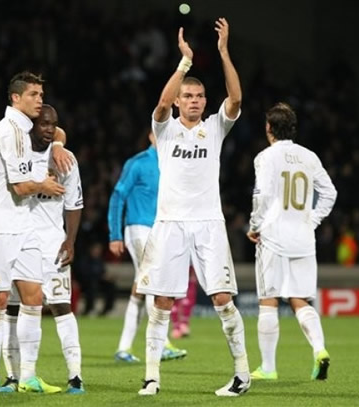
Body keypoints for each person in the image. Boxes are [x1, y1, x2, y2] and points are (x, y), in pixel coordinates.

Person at [135, 18, 251, 397]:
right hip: (169, 222)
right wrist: (183, 63)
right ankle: (152, 377)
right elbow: (162, 102)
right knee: (162, 301)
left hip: (208, 224)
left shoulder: (215, 127)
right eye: (189, 97)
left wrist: (222, 52)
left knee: (222, 299)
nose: (194, 101)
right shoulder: (165, 129)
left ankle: (242, 375)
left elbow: (235, 98)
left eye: (199, 97)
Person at [0, 104, 85, 394]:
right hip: (15, 236)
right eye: (43, 124)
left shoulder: (65, 160)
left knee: (59, 305)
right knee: (11, 307)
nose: (48, 128)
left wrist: (70, 240)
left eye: (52, 126)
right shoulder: (17, 152)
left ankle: (75, 377)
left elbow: (74, 204)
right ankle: (12, 376)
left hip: (51, 243)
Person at [0, 71, 65, 394]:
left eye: (41, 94)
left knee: (34, 298)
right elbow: (20, 185)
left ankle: (27, 376)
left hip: (23, 225)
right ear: (16, 98)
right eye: (34, 95)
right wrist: (45, 185)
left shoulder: (22, 132)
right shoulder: (10, 131)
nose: (40, 100)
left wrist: (57, 143)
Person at [246, 102, 337, 381]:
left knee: (269, 300)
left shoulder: (265, 157)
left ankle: (269, 368)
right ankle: (319, 350)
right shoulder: (309, 157)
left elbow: (261, 196)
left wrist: (254, 226)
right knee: (300, 299)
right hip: (303, 238)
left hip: (273, 237)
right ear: (293, 128)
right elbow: (330, 192)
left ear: (269, 128)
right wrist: (312, 220)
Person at [107, 131, 187, 363]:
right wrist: (115, 234)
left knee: (140, 289)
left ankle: (124, 348)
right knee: (155, 281)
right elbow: (117, 196)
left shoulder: (174, 165)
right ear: (152, 136)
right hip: (139, 229)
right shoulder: (138, 163)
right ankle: (161, 345)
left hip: (161, 231)